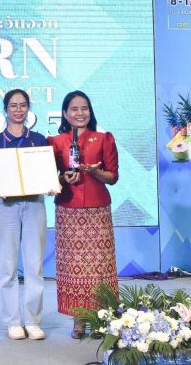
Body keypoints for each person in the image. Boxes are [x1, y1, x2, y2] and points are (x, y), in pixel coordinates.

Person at [47, 90, 119, 339]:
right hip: (68, 210)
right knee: (75, 268)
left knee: (99, 267)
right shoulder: (55, 142)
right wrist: (62, 179)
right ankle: (79, 319)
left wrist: (95, 172)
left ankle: (100, 318)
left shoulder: (104, 138)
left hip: (98, 211)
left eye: (84, 108)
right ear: (65, 114)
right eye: (74, 109)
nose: (80, 113)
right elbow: (48, 179)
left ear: (90, 111)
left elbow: (113, 177)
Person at [0, 89, 48, 341]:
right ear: (5, 109)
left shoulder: (39, 140)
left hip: (34, 204)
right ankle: (13, 322)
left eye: (23, 105)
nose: (18, 110)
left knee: (34, 265)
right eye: (13, 105)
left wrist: (51, 183)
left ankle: (33, 321)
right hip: (5, 207)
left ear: (28, 108)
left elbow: (46, 173)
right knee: (7, 266)